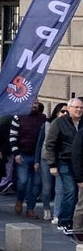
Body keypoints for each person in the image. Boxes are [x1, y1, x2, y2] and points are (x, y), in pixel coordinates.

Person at [43, 97, 83, 234]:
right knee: (70, 190)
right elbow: (50, 144)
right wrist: (52, 164)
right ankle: (65, 221)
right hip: (64, 161)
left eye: (81, 108)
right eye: (76, 107)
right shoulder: (59, 123)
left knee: (78, 193)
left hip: (79, 163)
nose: (79, 110)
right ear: (69, 108)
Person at [10, 100, 47, 219]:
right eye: (32, 103)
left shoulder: (43, 118)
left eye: (36, 103)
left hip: (38, 156)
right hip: (23, 155)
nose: (34, 105)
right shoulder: (18, 117)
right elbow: (12, 136)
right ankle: (20, 200)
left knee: (36, 184)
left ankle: (31, 208)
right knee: (23, 182)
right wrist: (16, 153)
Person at [38, 103, 67, 222]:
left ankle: (57, 214)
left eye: (66, 111)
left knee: (60, 189)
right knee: (47, 187)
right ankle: (46, 209)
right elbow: (40, 144)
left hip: (61, 160)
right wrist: (36, 161)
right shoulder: (47, 124)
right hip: (46, 159)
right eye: (62, 111)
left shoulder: (69, 125)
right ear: (56, 112)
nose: (65, 114)